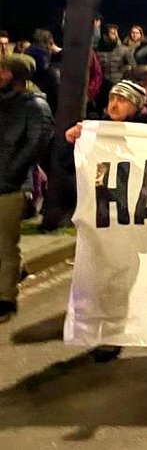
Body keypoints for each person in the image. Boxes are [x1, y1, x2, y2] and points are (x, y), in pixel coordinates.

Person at [0, 55, 54, 323]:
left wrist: (13, 174)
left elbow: (36, 144)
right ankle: (13, 273)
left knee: (5, 245)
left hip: (12, 185)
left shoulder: (35, 106)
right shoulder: (5, 103)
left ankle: (5, 299)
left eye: (3, 71)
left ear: (16, 76)